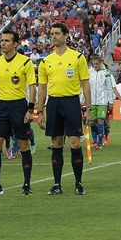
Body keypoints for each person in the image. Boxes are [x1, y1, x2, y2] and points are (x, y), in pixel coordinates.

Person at [36, 23, 92, 196]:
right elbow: (42, 88)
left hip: (71, 103)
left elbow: (85, 84)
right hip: (53, 104)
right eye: (52, 33)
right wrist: (40, 111)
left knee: (75, 143)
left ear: (66, 35)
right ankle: (57, 184)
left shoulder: (77, 58)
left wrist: (88, 108)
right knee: (56, 144)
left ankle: (78, 183)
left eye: (57, 33)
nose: (53, 36)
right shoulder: (46, 61)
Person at [0, 30, 37, 196]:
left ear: (15, 44)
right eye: (2, 40)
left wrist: (30, 109)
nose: (3, 43)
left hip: (19, 107)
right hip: (2, 108)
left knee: (23, 145)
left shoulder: (25, 62)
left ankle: (26, 185)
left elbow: (32, 87)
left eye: (7, 40)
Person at [88, 55, 113, 149]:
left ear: (100, 63)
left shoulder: (106, 73)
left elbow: (109, 88)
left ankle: (99, 142)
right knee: (91, 123)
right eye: (93, 64)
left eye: (97, 64)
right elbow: (86, 87)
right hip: (92, 101)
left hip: (102, 101)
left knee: (100, 120)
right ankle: (102, 134)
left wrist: (110, 101)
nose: (95, 66)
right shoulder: (89, 73)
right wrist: (83, 100)